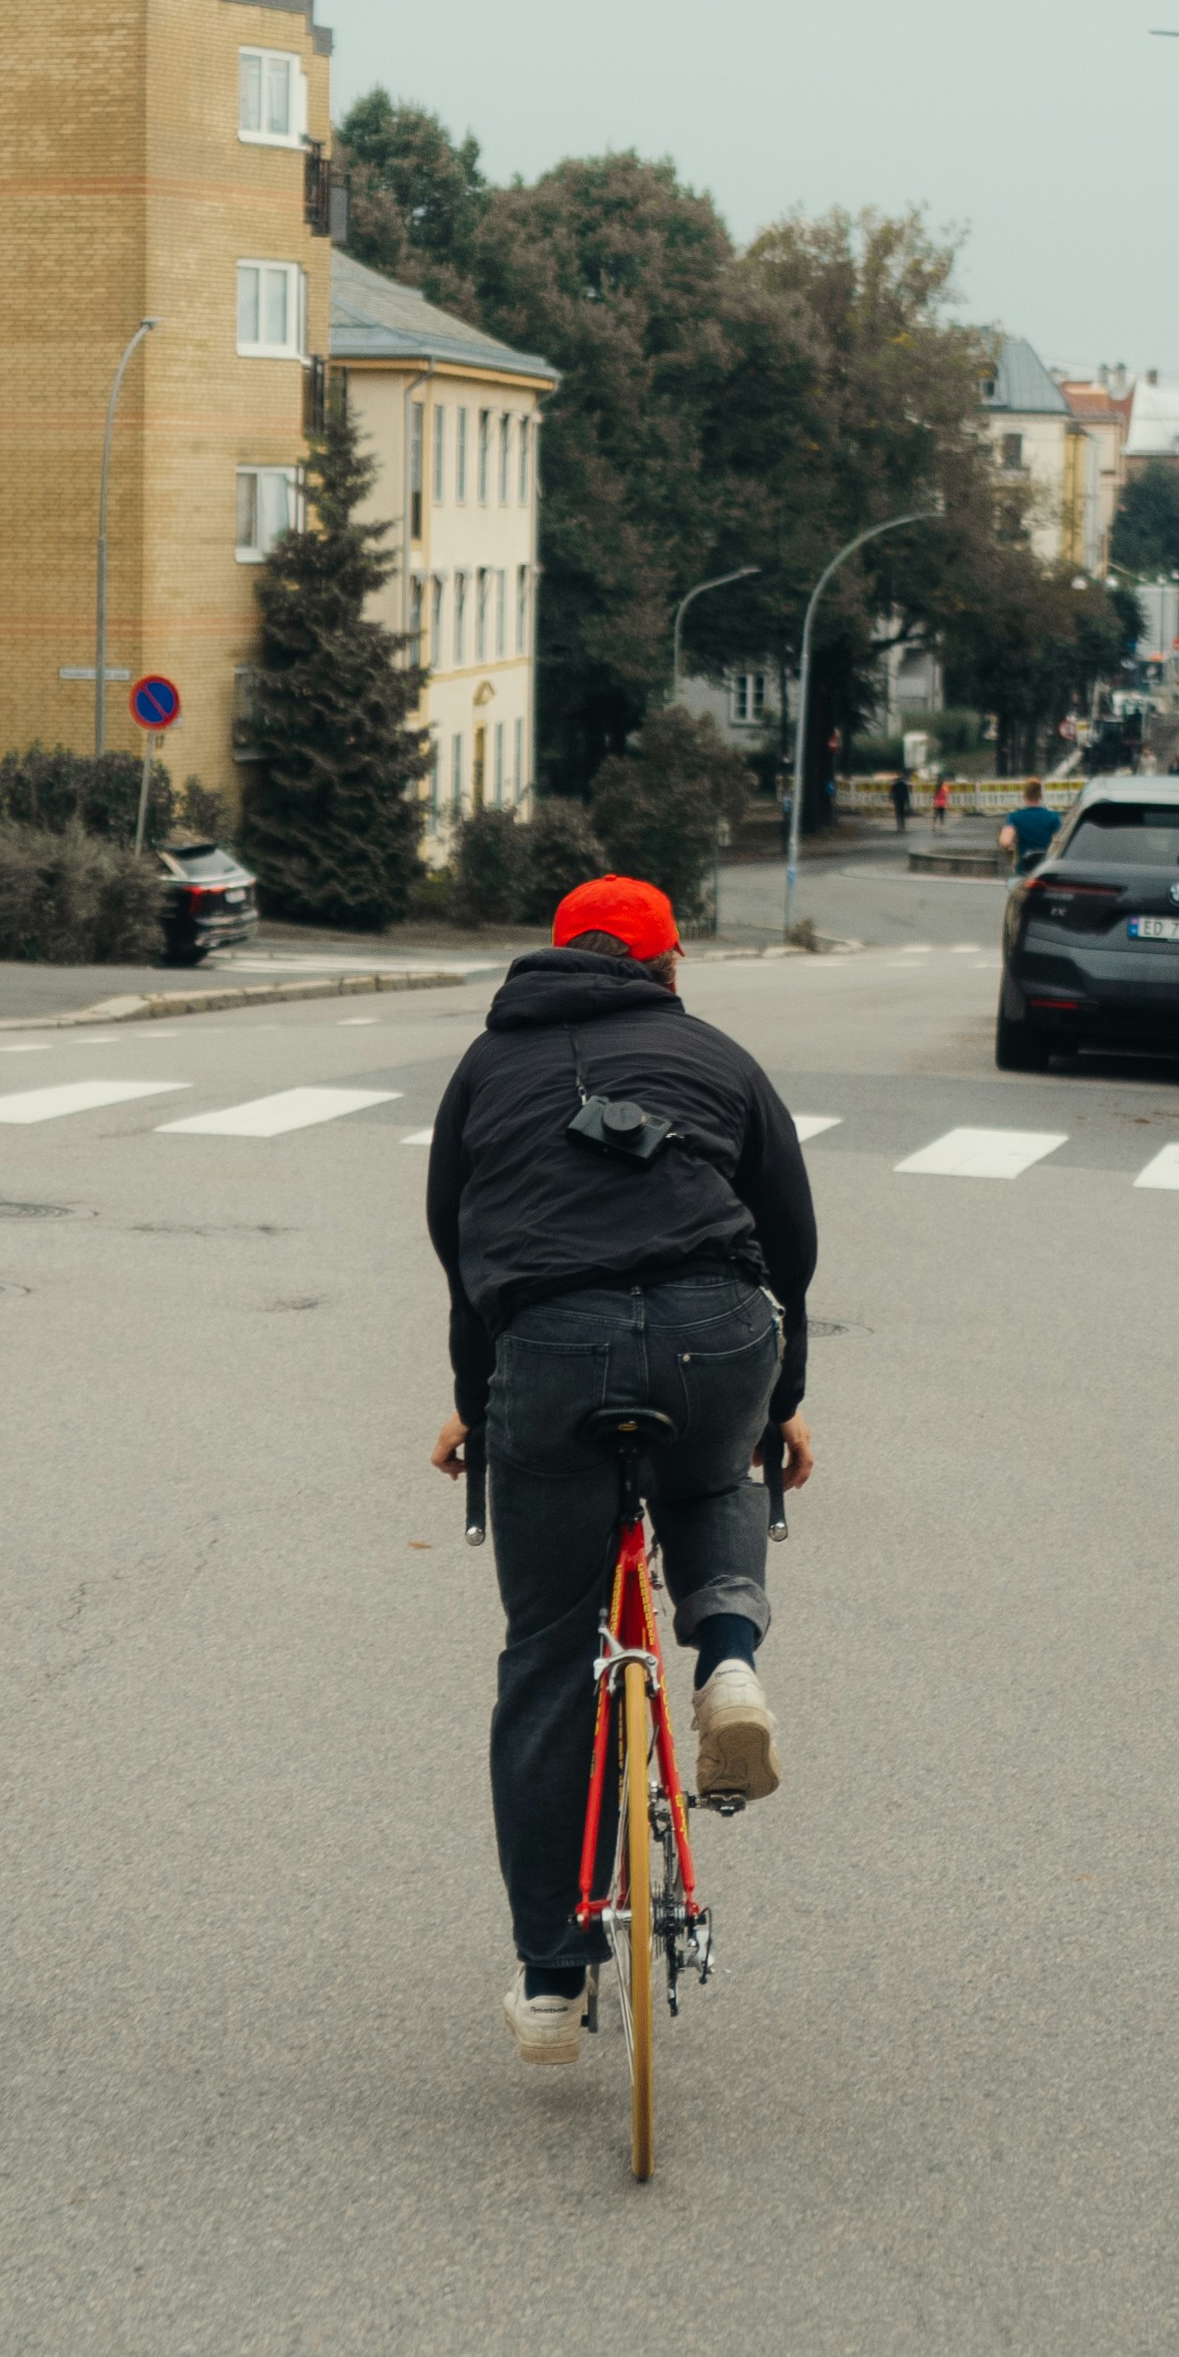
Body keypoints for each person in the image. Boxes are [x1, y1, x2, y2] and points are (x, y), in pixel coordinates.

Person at [420, 874, 821, 2069]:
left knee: (547, 1651)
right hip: (714, 1333)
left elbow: (464, 1255)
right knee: (712, 1475)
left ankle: (551, 1978)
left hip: (549, 1350)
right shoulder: (719, 1056)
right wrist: (780, 1406)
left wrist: (469, 1407)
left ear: (552, 956)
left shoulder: (483, 1070)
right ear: (668, 962)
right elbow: (789, 1247)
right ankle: (729, 1664)